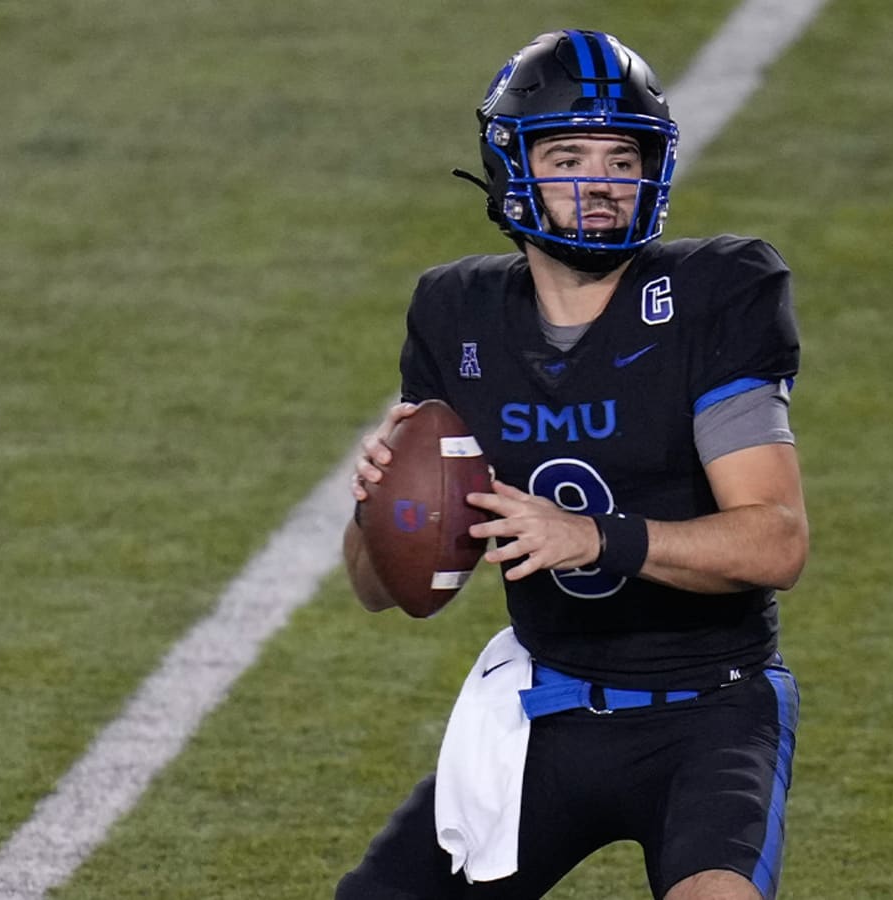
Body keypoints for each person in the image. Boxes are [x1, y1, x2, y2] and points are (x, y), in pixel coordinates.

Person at [338, 29, 808, 900]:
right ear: (513, 168)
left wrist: (595, 537)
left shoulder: (718, 293)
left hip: (711, 711)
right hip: (540, 710)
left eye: (621, 156)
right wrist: (377, 510)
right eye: (568, 155)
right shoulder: (456, 312)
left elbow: (774, 543)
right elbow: (382, 589)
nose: (599, 182)